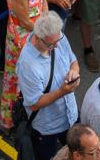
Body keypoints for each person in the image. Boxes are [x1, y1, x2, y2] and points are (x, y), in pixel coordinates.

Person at [18, 12, 82, 160]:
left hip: (70, 115)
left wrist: (74, 72)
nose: (57, 45)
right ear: (38, 37)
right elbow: (34, 104)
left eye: (57, 40)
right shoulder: (27, 65)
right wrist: (62, 91)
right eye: (51, 44)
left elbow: (73, 61)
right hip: (48, 129)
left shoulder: (57, 37)